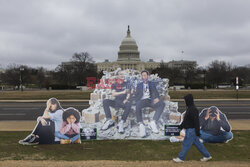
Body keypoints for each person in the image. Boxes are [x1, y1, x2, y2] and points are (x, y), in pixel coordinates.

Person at [173, 94, 212, 162]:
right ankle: (207, 156)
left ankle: (181, 158)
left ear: (188, 100)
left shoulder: (193, 109)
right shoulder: (190, 108)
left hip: (191, 130)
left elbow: (196, 121)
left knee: (186, 144)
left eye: (185, 100)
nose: (184, 101)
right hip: (191, 130)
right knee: (198, 144)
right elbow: (186, 121)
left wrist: (197, 132)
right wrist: (179, 127)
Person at [135, 70, 165, 137]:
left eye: (145, 75)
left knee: (162, 104)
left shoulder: (152, 84)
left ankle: (153, 122)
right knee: (137, 105)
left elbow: (156, 93)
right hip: (142, 101)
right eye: (142, 76)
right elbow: (136, 95)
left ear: (148, 76)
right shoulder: (139, 85)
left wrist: (157, 98)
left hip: (150, 100)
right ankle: (141, 124)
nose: (143, 77)